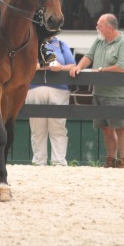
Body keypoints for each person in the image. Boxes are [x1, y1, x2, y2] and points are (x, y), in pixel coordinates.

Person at [69, 14, 124, 168]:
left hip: (118, 95)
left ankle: (123, 161)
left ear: (110, 27)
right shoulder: (99, 41)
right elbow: (88, 56)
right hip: (99, 93)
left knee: (121, 128)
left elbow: (122, 67)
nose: (97, 27)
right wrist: (79, 67)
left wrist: (99, 70)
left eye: (99, 25)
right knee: (106, 129)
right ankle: (110, 159)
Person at [25, 35, 76, 166]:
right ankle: (39, 161)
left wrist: (60, 68)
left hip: (59, 89)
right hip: (34, 88)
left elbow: (72, 65)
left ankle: (59, 162)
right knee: (37, 129)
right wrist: (43, 66)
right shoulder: (30, 42)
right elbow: (23, 65)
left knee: (58, 127)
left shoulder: (61, 44)